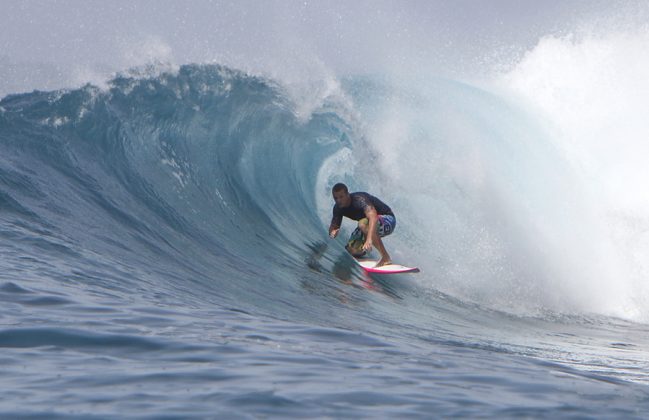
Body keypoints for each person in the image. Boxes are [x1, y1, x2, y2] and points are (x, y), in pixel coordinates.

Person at [328, 183, 396, 267]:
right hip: (367, 224)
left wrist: (369, 239)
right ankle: (364, 250)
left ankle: (385, 257)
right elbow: (334, 227)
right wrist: (333, 232)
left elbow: (373, 217)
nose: (338, 200)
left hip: (388, 220)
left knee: (362, 224)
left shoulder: (359, 200)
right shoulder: (338, 208)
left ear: (347, 194)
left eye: (341, 197)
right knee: (352, 250)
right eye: (336, 198)